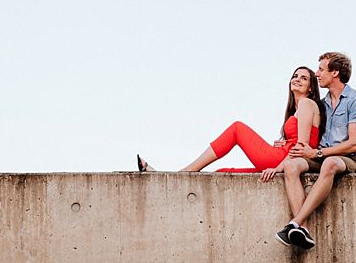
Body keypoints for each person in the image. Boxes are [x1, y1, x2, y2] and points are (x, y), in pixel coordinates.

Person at [137, 67, 325, 179]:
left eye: (304, 78)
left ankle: (184, 173)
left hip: (283, 161)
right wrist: (285, 143)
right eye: (295, 76)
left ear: (311, 88)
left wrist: (278, 168)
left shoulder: (307, 103)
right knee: (222, 172)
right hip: (282, 158)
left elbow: (301, 146)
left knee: (237, 128)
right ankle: (172, 176)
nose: (297, 79)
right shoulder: (298, 108)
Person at [275, 51, 356, 251]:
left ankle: (294, 223)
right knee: (291, 166)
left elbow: (353, 144)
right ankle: (303, 230)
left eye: (321, 69)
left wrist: (317, 154)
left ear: (335, 73)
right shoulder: (322, 104)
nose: (317, 74)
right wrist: (286, 144)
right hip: (321, 155)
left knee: (330, 163)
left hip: (347, 159)